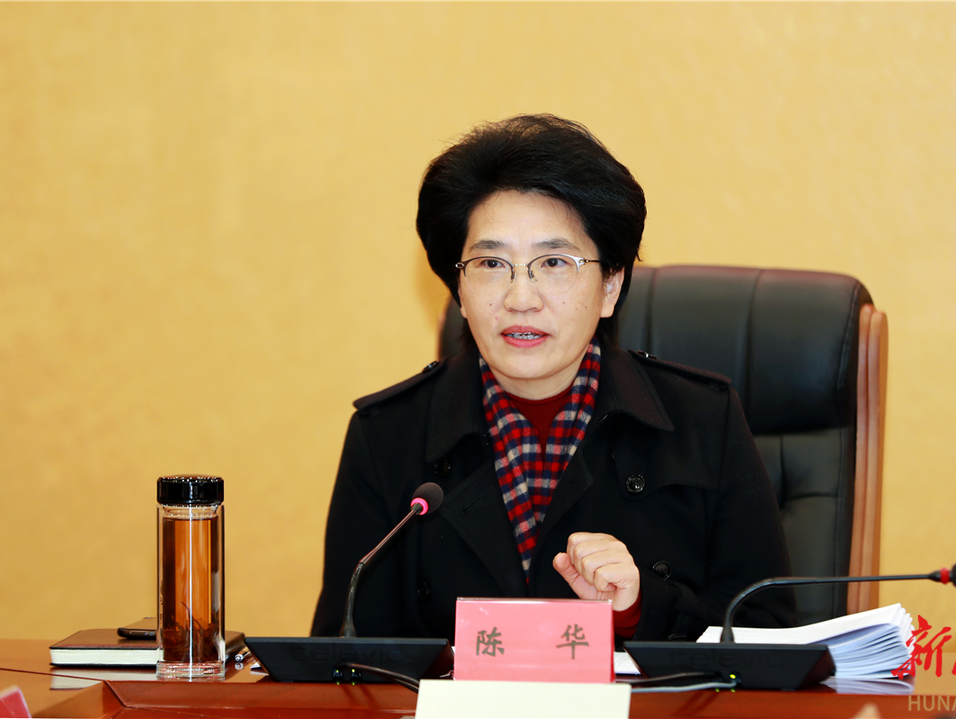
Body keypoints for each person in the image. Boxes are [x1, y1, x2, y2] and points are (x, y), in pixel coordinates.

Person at [311, 114, 795, 643]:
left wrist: (638, 611)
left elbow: (769, 638)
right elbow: (343, 655)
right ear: (459, 290)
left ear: (610, 286)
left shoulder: (704, 420)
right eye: (491, 264)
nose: (521, 298)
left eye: (555, 262)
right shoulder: (387, 435)